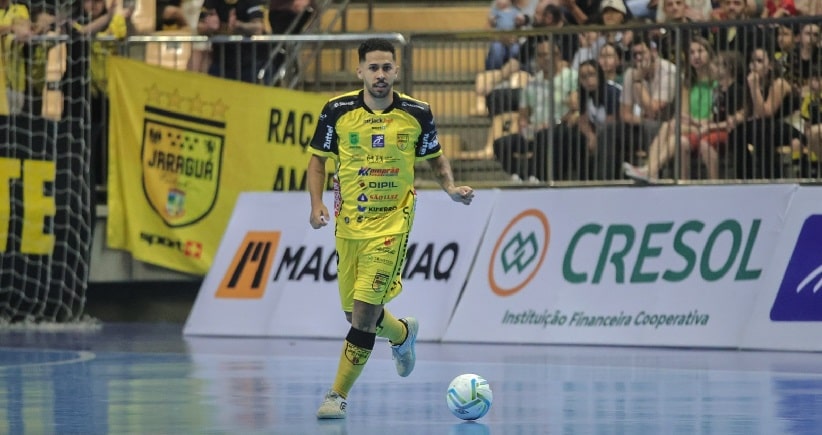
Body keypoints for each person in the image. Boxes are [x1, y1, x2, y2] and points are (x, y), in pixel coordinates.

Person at [306, 38, 475, 419]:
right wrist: (316, 204)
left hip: (391, 226)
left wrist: (450, 188)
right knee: (354, 317)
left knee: (364, 315)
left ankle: (336, 396)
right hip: (348, 229)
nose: (380, 75)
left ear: (396, 71)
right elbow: (317, 161)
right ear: (360, 71)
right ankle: (402, 334)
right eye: (373, 68)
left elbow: (435, 156)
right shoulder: (337, 111)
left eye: (387, 68)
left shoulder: (417, 112)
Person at [493, 40, 581, 182]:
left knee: (543, 135)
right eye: (540, 55)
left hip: (559, 128)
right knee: (501, 144)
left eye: (548, 54)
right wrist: (523, 126)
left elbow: (575, 108)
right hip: (534, 130)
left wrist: (552, 123)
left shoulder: (571, 76)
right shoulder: (532, 83)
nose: (545, 58)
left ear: (558, 56)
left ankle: (537, 176)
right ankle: (519, 174)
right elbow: (523, 114)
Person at [197, 0, 267, 83]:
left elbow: (258, 28)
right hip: (220, 62)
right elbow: (199, 27)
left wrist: (239, 25)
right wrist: (208, 27)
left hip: (249, 63)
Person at [576, 59, 623, 180]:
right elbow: (583, 120)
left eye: (591, 74)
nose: (588, 80)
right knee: (577, 137)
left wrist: (596, 137)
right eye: (583, 77)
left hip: (619, 132)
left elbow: (612, 120)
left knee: (607, 135)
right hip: (599, 133)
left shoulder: (611, 91)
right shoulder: (584, 95)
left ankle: (603, 179)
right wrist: (590, 135)